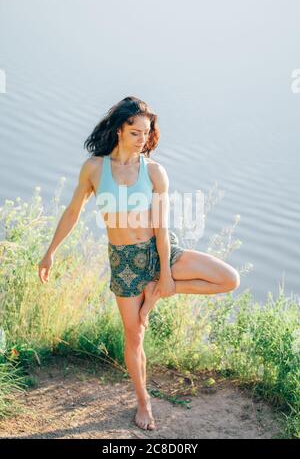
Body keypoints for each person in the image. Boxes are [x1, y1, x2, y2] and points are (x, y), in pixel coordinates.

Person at [38, 96, 240, 431]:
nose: (142, 139)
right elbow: (72, 212)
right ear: (119, 130)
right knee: (134, 339)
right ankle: (143, 403)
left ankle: (157, 291)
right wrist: (50, 251)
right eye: (135, 132)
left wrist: (164, 279)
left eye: (146, 133)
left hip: (159, 252)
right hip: (124, 263)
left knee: (228, 279)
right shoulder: (94, 169)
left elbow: (161, 229)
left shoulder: (155, 172)